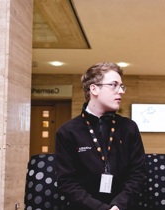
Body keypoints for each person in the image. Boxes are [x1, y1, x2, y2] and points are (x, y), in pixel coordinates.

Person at [55, 62, 146, 210]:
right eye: (114, 85)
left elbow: (138, 174)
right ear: (94, 89)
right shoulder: (67, 132)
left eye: (121, 86)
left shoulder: (129, 128)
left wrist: (118, 206)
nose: (121, 91)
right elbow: (67, 181)